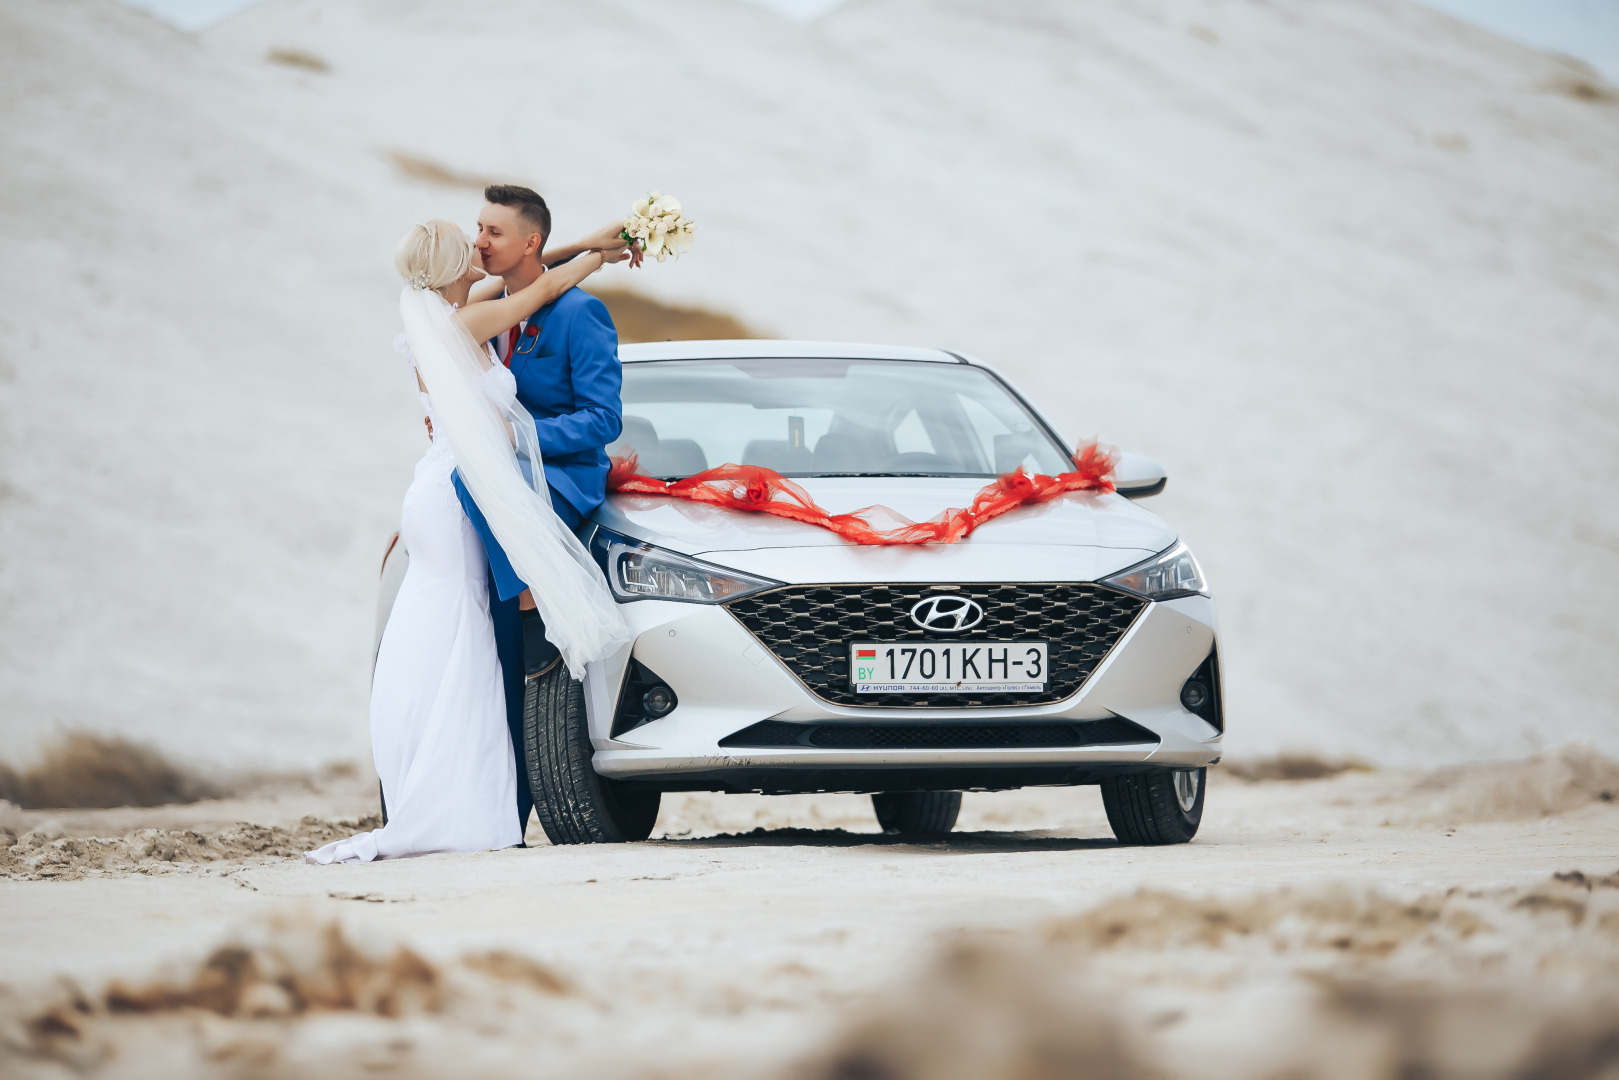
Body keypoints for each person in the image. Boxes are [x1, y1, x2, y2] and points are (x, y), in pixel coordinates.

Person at [305, 220, 629, 864]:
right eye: (471, 245)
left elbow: (531, 275)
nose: (481, 250)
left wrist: (597, 237)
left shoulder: (444, 318)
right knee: (464, 634)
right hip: (457, 499)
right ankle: (454, 797)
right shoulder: (463, 325)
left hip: (434, 489)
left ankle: (442, 785)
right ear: (454, 267)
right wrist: (598, 258)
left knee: (444, 634)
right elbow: (541, 290)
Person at [454, 184, 631, 837]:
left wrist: (520, 442)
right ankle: (503, 812)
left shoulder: (580, 314)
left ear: (528, 242)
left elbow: (602, 420)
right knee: (493, 659)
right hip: (500, 485)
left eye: (492, 231)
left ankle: (533, 600)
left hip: (560, 478)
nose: (479, 242)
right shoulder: (483, 305)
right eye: (477, 229)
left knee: (468, 485)